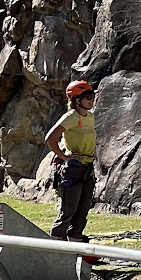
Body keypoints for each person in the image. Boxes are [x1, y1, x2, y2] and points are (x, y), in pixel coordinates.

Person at [45, 79, 97, 243]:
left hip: (87, 167)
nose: (91, 100)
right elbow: (50, 138)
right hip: (73, 168)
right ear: (76, 100)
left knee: (82, 212)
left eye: (92, 96)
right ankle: (54, 246)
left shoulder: (90, 117)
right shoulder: (70, 117)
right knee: (68, 211)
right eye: (87, 97)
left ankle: (75, 246)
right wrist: (64, 156)